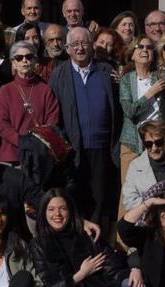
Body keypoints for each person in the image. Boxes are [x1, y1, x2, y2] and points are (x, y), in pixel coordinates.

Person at [29, 188, 133, 287]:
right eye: (51, 209)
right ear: (44, 213)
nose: (57, 214)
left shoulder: (87, 235)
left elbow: (112, 268)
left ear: (70, 211)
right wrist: (81, 274)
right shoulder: (38, 244)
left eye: (63, 208)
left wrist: (132, 272)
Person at [49, 26, 119, 225]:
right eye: (75, 44)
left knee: (100, 200)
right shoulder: (58, 75)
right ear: (67, 48)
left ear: (92, 46)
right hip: (73, 150)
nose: (80, 48)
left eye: (84, 43)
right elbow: (54, 115)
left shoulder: (107, 72)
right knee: (75, 198)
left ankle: (98, 245)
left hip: (101, 148)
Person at [118, 35, 165, 180]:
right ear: (132, 55)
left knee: (161, 187)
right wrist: (150, 93)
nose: (145, 50)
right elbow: (129, 112)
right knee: (131, 192)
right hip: (132, 143)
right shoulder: (126, 80)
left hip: (160, 142)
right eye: (140, 47)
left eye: (149, 47)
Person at [0, 41, 59, 167]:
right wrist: (21, 141)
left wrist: (37, 142)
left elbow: (52, 120)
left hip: (40, 155)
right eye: (19, 58)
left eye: (29, 57)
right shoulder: (6, 90)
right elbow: (2, 124)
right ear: (13, 63)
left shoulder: (45, 89)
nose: (24, 60)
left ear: (35, 62)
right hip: (12, 156)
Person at [121, 121, 165, 211]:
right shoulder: (136, 166)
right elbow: (128, 201)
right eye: (148, 144)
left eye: (158, 143)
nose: (154, 148)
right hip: (147, 218)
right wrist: (154, 202)